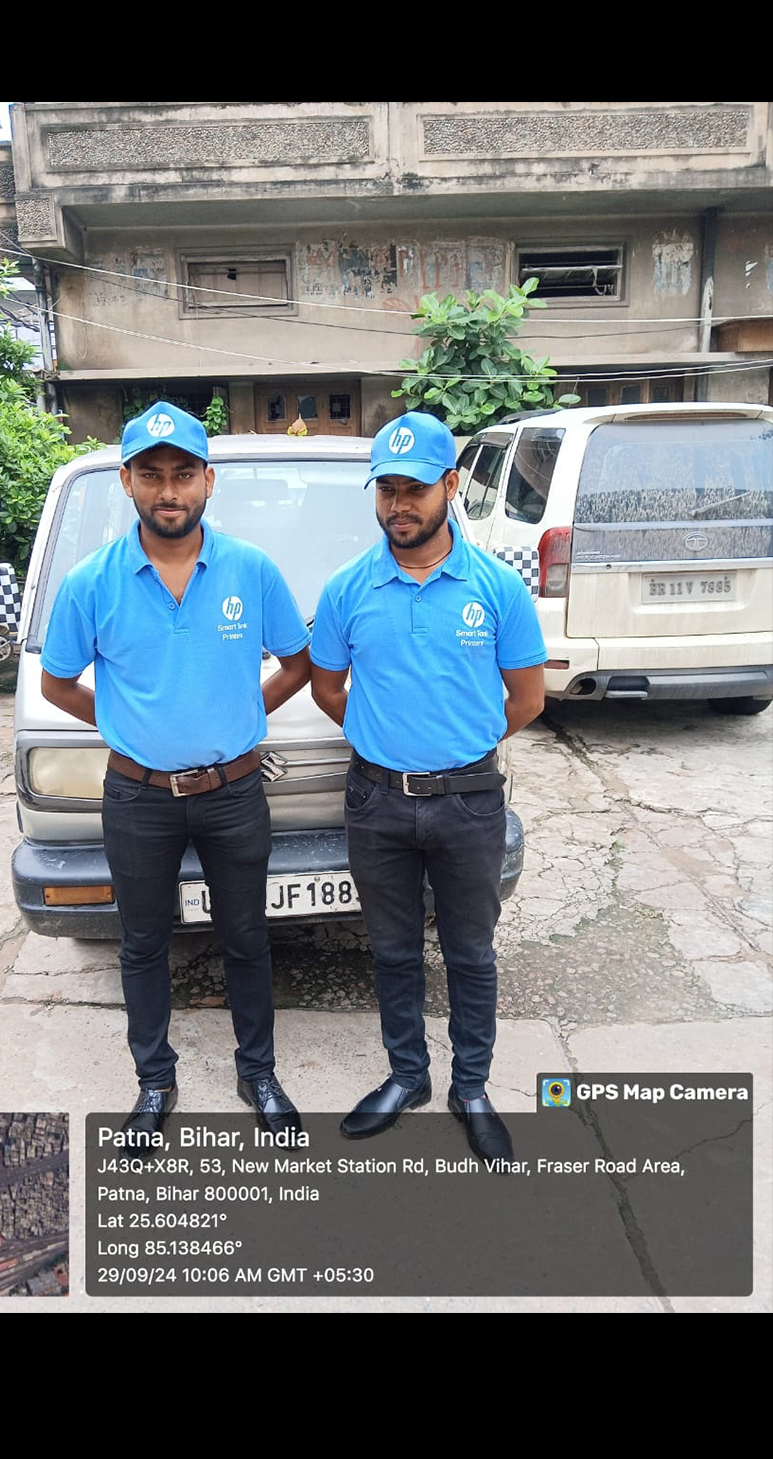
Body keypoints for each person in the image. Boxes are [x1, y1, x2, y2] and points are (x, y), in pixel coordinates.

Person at [40, 400, 311, 1143]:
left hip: (233, 793)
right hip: (137, 797)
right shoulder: (90, 582)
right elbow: (57, 681)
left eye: (183, 474)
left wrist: (241, 714)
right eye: (152, 474)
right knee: (141, 943)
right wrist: (127, 726)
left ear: (207, 481)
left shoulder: (250, 571)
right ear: (125, 482)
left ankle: (257, 1071)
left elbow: (297, 662)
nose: (169, 490)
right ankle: (154, 1083)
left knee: (246, 936)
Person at [310, 410, 546, 1164]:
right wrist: (386, 737)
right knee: (392, 950)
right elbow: (326, 686)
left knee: (471, 952)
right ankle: (406, 1075)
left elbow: (527, 699)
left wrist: (456, 744)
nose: (398, 505)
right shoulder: (349, 588)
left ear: (450, 485)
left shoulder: (497, 589)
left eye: (414, 488)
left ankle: (469, 1086)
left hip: (470, 802)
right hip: (376, 801)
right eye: (386, 489)